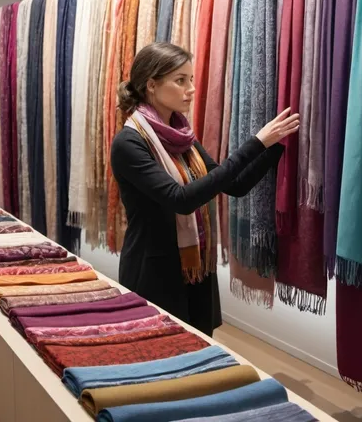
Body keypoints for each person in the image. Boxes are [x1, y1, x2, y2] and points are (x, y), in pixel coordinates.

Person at [111, 42, 300, 336]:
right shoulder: (129, 143)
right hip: (155, 271)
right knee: (162, 362)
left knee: (200, 355)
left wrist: (276, 146)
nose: (191, 89)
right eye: (180, 80)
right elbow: (181, 199)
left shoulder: (181, 137)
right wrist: (256, 143)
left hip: (195, 267)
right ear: (151, 85)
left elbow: (233, 185)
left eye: (191, 79)